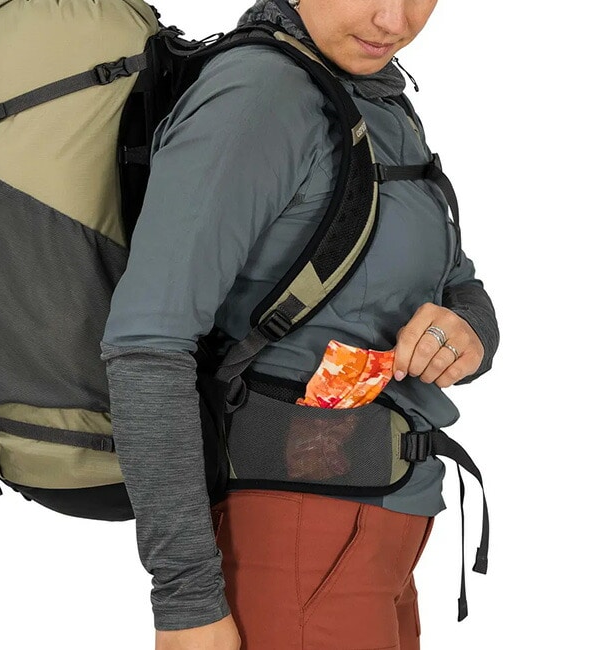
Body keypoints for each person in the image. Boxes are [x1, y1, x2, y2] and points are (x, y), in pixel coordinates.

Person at [99, 0, 500, 648]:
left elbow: (456, 279)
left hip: (383, 530)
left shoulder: (371, 96)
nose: (394, 21)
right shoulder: (259, 96)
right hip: (292, 544)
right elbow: (148, 345)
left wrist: (467, 330)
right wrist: (186, 599)